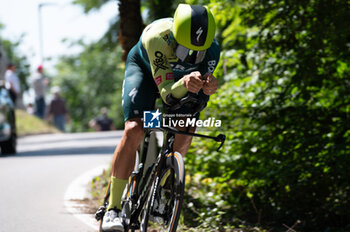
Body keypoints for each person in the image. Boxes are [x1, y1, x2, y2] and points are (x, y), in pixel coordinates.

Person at [102, 4, 220, 231]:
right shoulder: (158, 38)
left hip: (180, 83)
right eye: (186, 50)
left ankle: (163, 188)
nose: (193, 57)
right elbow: (167, 95)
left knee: (187, 125)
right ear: (174, 36)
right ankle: (113, 209)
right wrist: (185, 82)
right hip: (146, 73)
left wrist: (208, 88)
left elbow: (199, 102)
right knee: (135, 128)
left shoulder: (214, 49)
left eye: (199, 52)